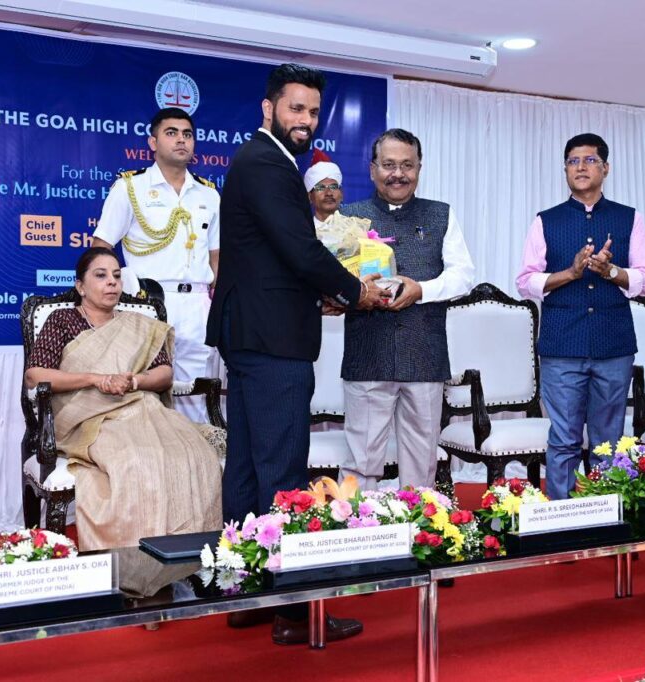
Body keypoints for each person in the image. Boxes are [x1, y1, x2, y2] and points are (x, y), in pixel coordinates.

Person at [205, 63, 384, 645]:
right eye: (295, 108)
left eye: (312, 112)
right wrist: (356, 291)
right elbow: (300, 249)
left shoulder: (263, 161)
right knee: (281, 470)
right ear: (269, 108)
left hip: (254, 334)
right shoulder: (267, 163)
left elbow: (277, 257)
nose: (305, 120)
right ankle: (293, 611)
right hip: (272, 340)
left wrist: (324, 292)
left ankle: (245, 592)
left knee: (246, 467)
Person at [25, 247, 222, 551]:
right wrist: (96, 379)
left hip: (143, 410)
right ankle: (132, 558)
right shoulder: (62, 320)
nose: (112, 282)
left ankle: (190, 555)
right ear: (80, 286)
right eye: (101, 275)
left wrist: (134, 381)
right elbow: (35, 375)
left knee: (196, 455)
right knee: (135, 460)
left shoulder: (139, 324)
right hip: (88, 420)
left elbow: (164, 374)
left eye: (117, 276)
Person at [516, 133, 645, 500]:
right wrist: (571, 273)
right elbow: (526, 281)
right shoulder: (546, 220)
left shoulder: (629, 218)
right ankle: (561, 517)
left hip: (614, 345)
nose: (580, 167)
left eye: (590, 160)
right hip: (562, 345)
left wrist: (612, 272)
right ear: (565, 169)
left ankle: (604, 513)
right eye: (573, 161)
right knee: (563, 438)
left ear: (605, 168)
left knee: (607, 441)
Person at [337, 128, 476, 489]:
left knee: (421, 464)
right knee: (361, 463)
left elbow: (463, 276)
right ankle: (356, 525)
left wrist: (421, 290)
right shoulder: (348, 218)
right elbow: (331, 278)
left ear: (419, 168)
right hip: (368, 355)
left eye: (407, 165)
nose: (398, 174)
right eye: (388, 165)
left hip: (424, 355)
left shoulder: (441, 214)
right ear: (372, 170)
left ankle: (418, 525)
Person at [93, 107, 220, 423]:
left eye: (187, 134)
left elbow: (216, 255)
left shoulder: (209, 194)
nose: (181, 140)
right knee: (143, 393)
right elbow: (101, 247)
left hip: (197, 305)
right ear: (153, 142)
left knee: (196, 394)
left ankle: (196, 453)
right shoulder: (130, 188)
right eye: (171, 133)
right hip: (147, 303)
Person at [304, 157, 344, 227]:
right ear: (309, 197)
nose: (329, 193)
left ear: (341, 194)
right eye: (320, 188)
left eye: (333, 187)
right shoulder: (303, 230)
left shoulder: (355, 228)